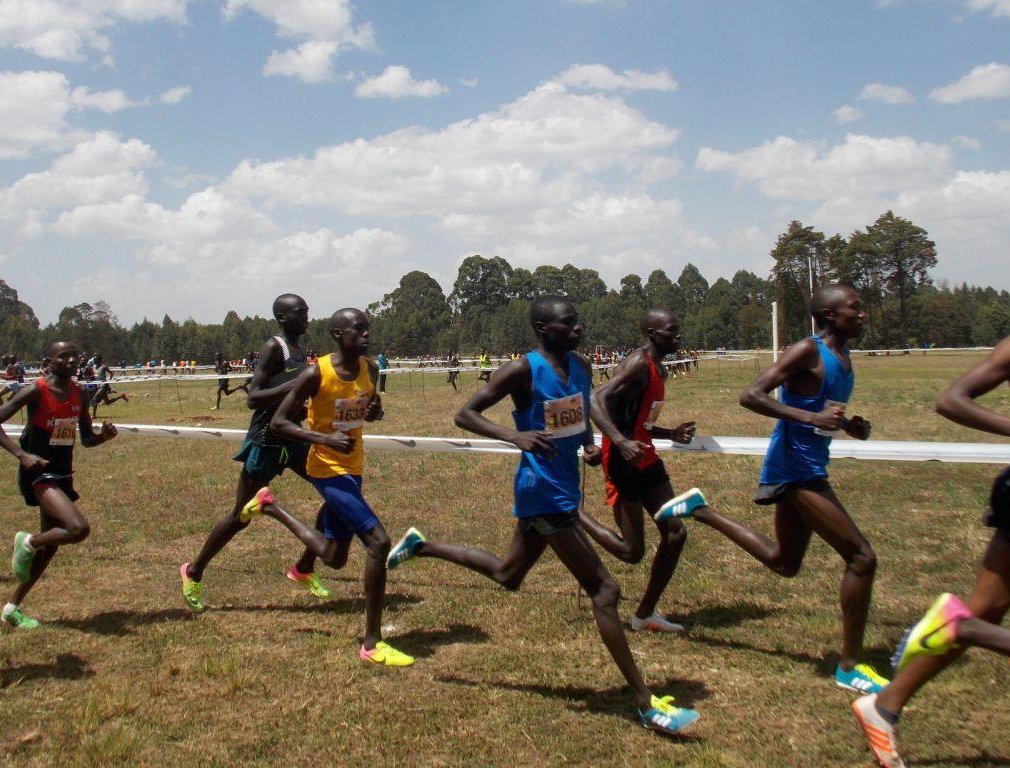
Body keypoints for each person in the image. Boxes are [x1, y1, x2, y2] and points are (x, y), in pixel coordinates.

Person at [386, 297, 699, 732]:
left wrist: (589, 443)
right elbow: (465, 414)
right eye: (568, 324)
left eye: (577, 322)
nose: (577, 328)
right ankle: (646, 704)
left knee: (507, 574)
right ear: (542, 328)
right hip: (541, 492)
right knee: (605, 591)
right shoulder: (522, 370)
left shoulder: (583, 366)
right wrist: (516, 436)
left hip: (563, 484)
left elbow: (579, 412)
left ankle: (423, 545)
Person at [658, 284, 885, 694]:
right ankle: (850, 666)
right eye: (855, 309)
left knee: (785, 562)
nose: (862, 314)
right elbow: (751, 395)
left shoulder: (843, 356)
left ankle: (700, 510)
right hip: (795, 470)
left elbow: (819, 408)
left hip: (810, 464)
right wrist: (809, 419)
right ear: (831, 315)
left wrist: (849, 425)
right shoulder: (807, 351)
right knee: (861, 557)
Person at [853, 327, 1010, 768]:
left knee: (987, 609)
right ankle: (976, 633)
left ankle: (883, 706)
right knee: (981, 614)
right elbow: (951, 400)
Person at [240, 307, 413, 667]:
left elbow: (366, 411)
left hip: (353, 466)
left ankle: (269, 506)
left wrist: (374, 411)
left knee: (334, 558)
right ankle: (372, 643)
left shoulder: (371, 369)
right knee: (378, 542)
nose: (366, 335)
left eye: (368, 328)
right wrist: (324, 439)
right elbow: (280, 421)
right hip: (326, 467)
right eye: (358, 329)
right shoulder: (315, 372)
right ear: (337, 334)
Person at [181, 294, 326, 609]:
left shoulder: (302, 352)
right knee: (240, 517)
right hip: (266, 440)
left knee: (335, 497)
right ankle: (193, 571)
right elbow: (254, 396)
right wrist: (293, 386)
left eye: (307, 312)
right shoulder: (275, 348)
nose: (307, 318)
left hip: (294, 438)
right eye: (300, 313)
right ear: (282, 317)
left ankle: (304, 567)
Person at [0, 340, 117, 629]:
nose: (71, 360)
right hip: (38, 474)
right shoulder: (35, 391)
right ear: (50, 360)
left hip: (63, 474)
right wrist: (22, 455)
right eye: (63, 356)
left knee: (50, 547)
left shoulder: (80, 392)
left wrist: (103, 436)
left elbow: (86, 438)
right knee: (77, 528)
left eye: (75, 355)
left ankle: (11, 607)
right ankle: (27, 541)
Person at [578, 309, 697, 634]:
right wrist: (619, 442)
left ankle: (645, 615)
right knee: (632, 552)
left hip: (647, 458)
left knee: (676, 533)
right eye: (672, 331)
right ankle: (574, 515)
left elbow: (637, 419)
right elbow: (595, 398)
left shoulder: (658, 368)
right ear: (652, 333)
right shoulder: (637, 363)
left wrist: (670, 433)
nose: (678, 336)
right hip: (623, 460)